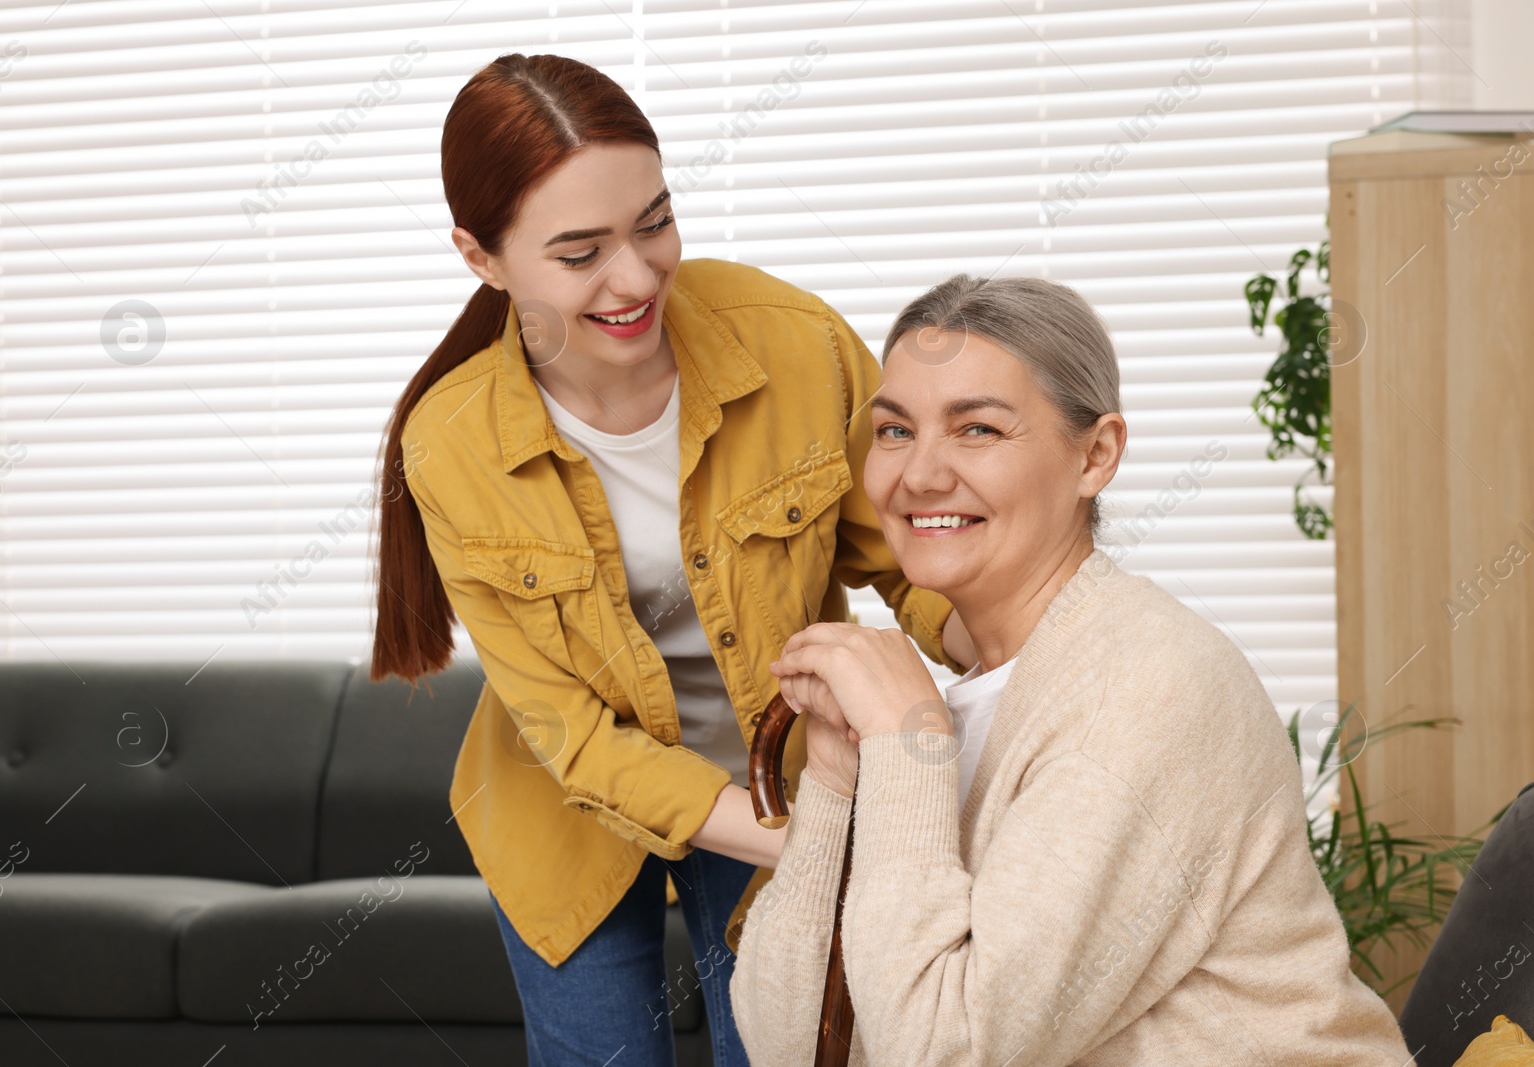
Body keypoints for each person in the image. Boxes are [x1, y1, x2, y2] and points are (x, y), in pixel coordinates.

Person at [367, 54, 976, 1067]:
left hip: (776, 770)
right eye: (580, 252)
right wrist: (805, 842)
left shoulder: (793, 342)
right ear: (482, 257)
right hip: (566, 810)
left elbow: (908, 561)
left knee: (780, 1049)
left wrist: (1022, 650)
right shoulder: (454, 445)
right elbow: (572, 735)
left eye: (654, 221)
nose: (638, 276)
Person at [729, 274, 1415, 1065]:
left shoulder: (1149, 689)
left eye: (977, 429)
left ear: (1096, 455)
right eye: (893, 431)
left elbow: (945, 1051)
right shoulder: (979, 698)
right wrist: (837, 775)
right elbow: (788, 1042)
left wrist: (904, 737)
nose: (918, 474)